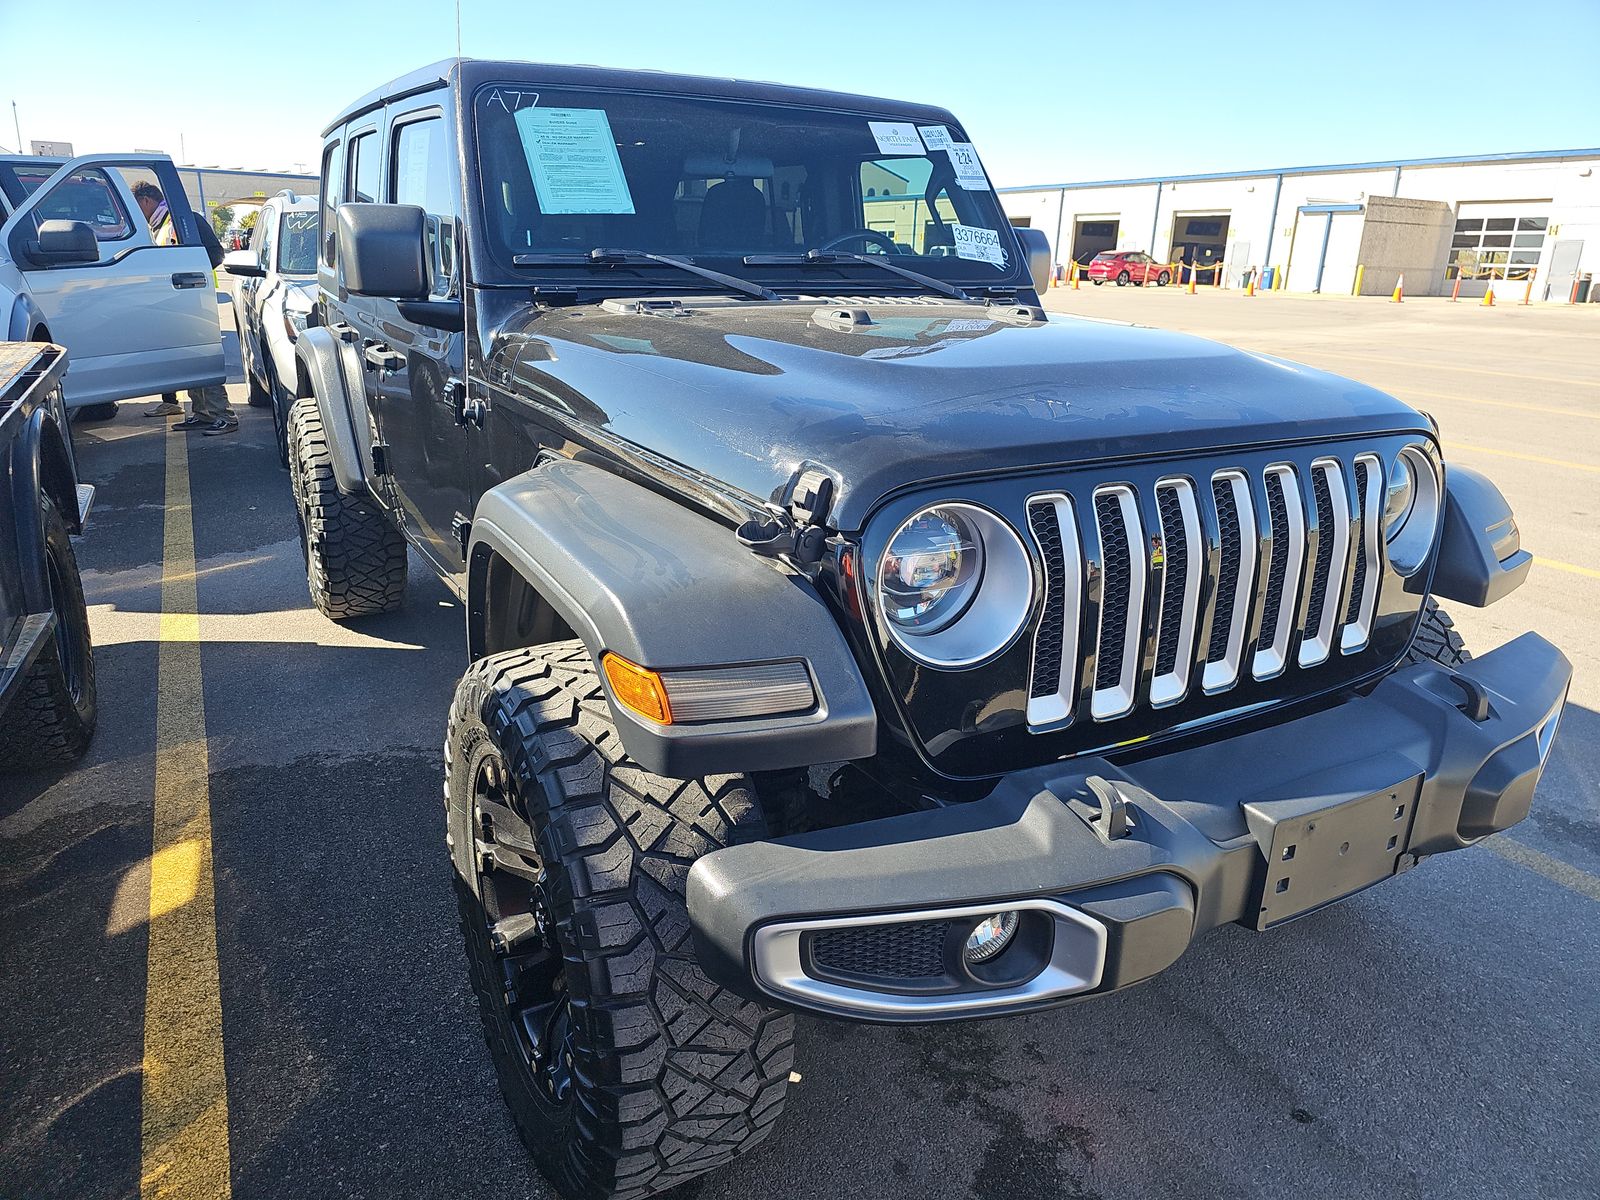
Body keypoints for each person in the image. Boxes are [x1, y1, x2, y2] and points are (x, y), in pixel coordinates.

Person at [131, 181, 237, 435]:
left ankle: (224, 415)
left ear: (146, 200)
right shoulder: (163, 224)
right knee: (190, 360)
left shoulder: (185, 219)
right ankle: (202, 413)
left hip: (194, 300)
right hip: (177, 301)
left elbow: (216, 253)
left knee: (202, 358)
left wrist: (190, 276)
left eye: (136, 205)